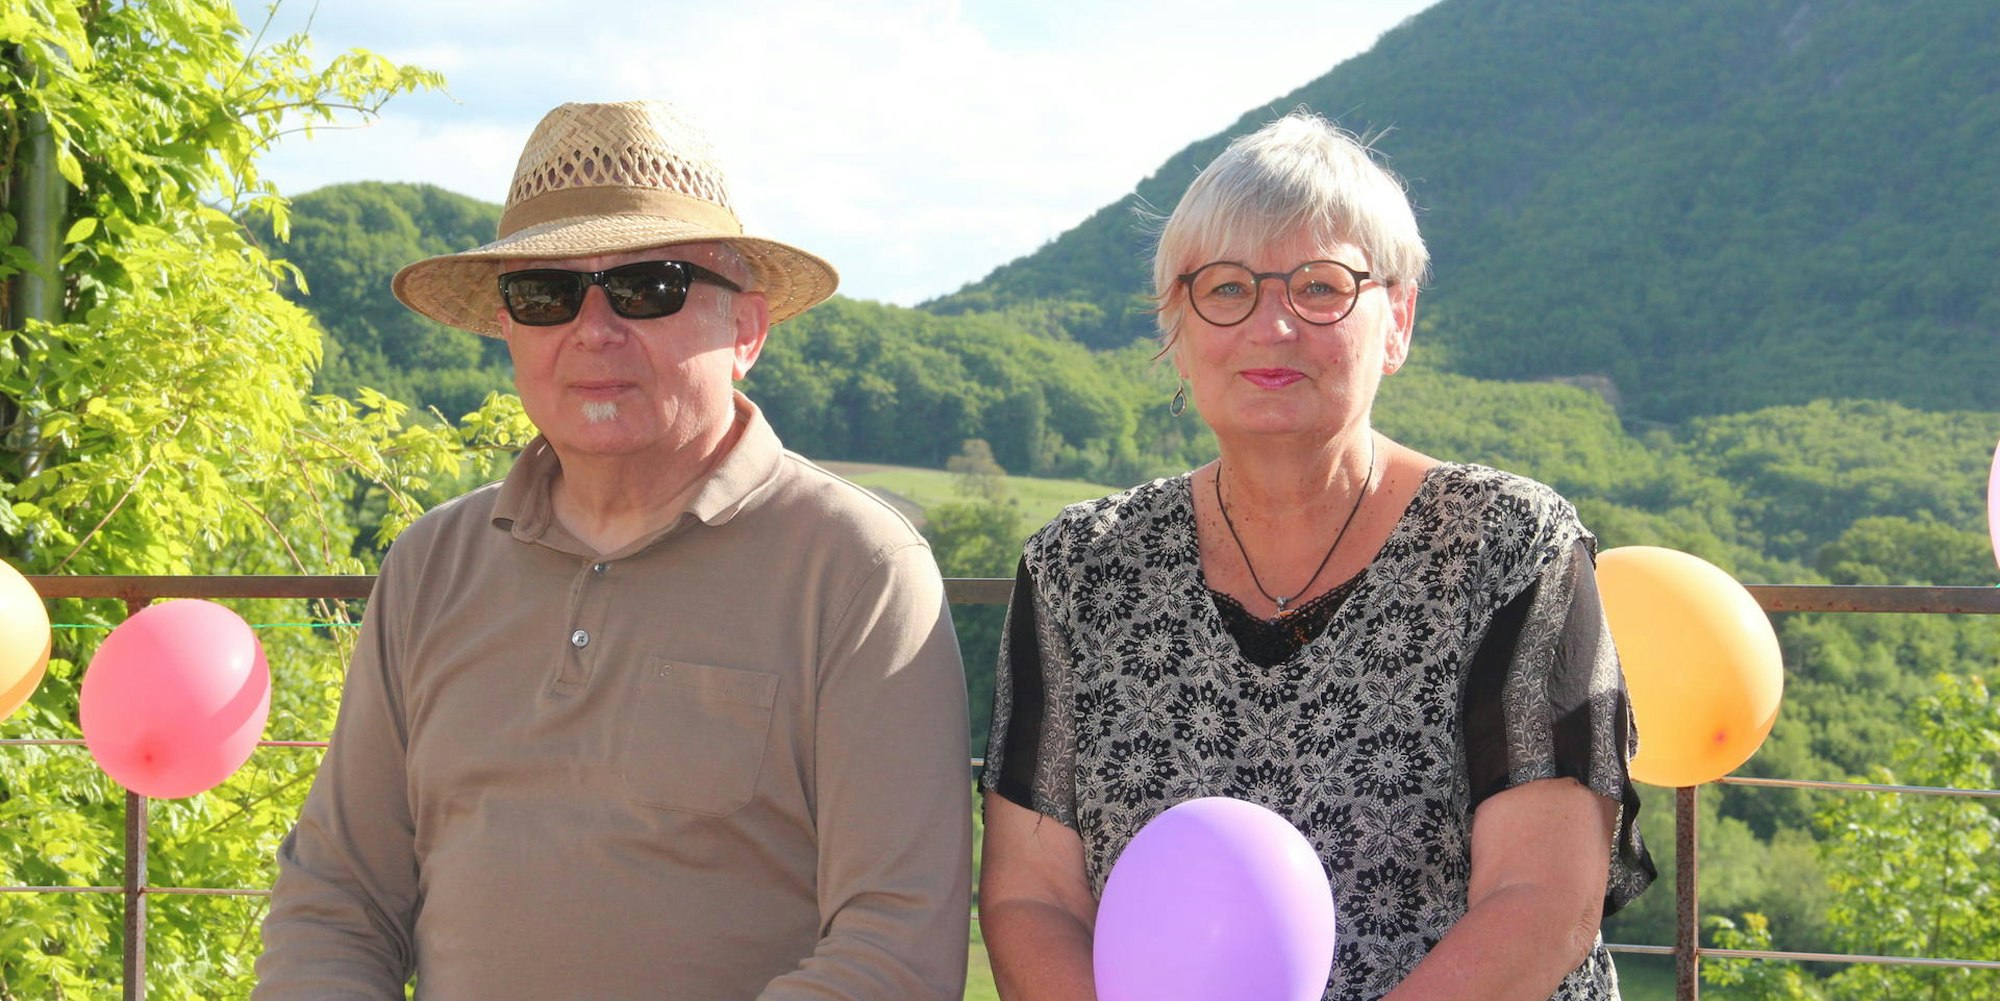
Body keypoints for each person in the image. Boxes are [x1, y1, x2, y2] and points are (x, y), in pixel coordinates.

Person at [255, 100, 972, 1000]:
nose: (593, 328)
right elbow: (337, 899)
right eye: (545, 294)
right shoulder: (430, 566)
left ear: (746, 331)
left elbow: (895, 949)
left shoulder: (856, 571)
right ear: (510, 329)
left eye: (648, 286)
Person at [978, 111, 1655, 1001]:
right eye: (1226, 288)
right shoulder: (1078, 570)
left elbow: (1542, 901)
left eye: (1320, 286)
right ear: (1176, 327)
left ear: (1398, 319)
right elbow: (1032, 898)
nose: (1272, 325)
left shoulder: (1508, 546)